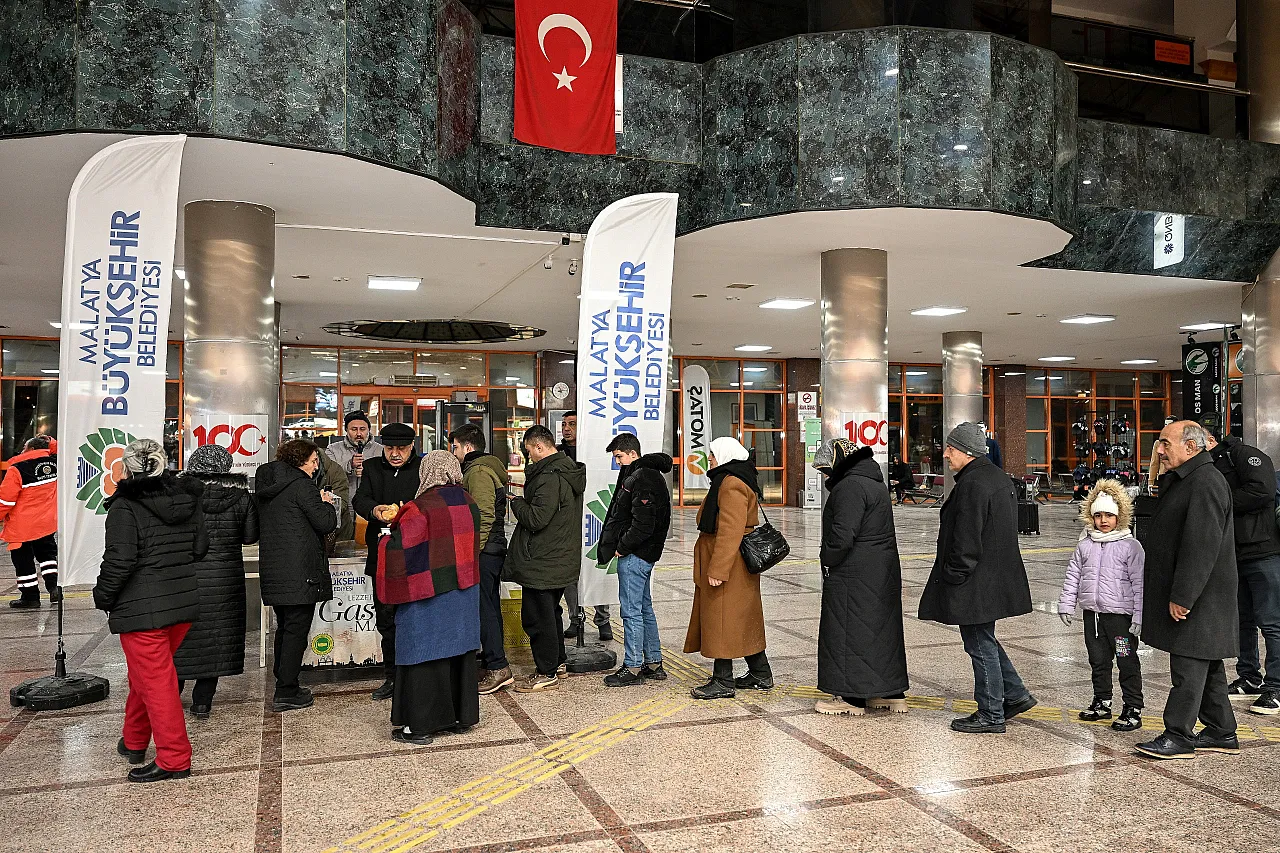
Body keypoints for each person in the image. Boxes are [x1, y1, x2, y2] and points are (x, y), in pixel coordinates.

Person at [93, 439, 207, 783]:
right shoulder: (186, 498)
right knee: (145, 676)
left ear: (125, 469)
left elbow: (120, 560)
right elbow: (200, 548)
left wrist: (103, 596)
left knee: (157, 684)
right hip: (181, 604)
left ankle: (174, 759)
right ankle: (134, 740)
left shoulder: (124, 506)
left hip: (142, 610)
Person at [919, 422, 1036, 734]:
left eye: (951, 449)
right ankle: (1015, 694)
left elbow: (967, 537)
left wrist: (955, 574)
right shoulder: (995, 477)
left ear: (967, 451)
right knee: (983, 638)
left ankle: (991, 713)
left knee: (979, 644)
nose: (946, 455)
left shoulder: (973, 484)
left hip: (975, 579)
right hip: (992, 577)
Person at [1135, 421, 1239, 760]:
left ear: (1191, 447)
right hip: (1200, 594)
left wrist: (1183, 596)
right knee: (1206, 661)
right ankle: (1221, 730)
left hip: (1201, 596)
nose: (1160, 450)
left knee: (1188, 665)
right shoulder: (1189, 479)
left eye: (1166, 443)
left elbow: (1201, 545)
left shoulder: (1205, 482)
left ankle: (1178, 736)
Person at [379, 451, 482, 745]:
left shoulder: (419, 507)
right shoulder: (469, 501)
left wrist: (385, 539)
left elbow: (402, 550)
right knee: (459, 651)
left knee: (422, 652)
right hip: (464, 588)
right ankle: (460, 718)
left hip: (428, 591)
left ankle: (420, 725)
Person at [811, 438, 909, 716]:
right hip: (881, 569)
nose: (825, 476)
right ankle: (889, 692)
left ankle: (851, 698)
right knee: (880, 630)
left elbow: (842, 537)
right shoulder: (874, 482)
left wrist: (827, 559)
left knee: (848, 630)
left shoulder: (849, 487)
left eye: (826, 470)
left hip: (853, 573)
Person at [173, 445, 260, 719]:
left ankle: (169, 698)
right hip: (225, 579)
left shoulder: (177, 495)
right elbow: (250, 537)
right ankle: (202, 702)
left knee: (180, 639)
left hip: (183, 577)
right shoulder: (241, 496)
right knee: (215, 638)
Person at [685, 436, 771, 699]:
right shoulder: (731, 479)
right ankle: (760, 673)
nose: (709, 459)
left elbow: (730, 530)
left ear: (725, 455)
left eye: (712, 454)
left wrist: (718, 569)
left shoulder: (731, 483)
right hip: (735, 563)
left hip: (729, 564)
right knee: (737, 619)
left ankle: (723, 681)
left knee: (721, 619)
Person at [255, 439, 338, 713]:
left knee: (285, 627)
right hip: (301, 572)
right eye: (313, 461)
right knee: (295, 631)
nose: (315, 467)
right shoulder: (303, 486)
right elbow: (325, 523)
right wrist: (326, 503)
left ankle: (283, 680)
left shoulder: (267, 485)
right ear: (301, 461)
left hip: (275, 570)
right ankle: (287, 690)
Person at [1057, 479, 1145, 732]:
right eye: (1098, 515)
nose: (1103, 520)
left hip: (1120, 619)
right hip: (1093, 617)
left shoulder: (1130, 546)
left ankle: (1133, 706)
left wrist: (1138, 617)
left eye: (1109, 515)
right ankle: (1102, 700)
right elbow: (1073, 575)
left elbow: (1139, 584)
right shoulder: (1085, 545)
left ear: (1120, 516)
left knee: (1126, 660)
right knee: (1098, 660)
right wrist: (1066, 604)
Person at [1204, 431, 1280, 716]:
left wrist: (1223, 501)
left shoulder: (1243, 455)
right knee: (1243, 621)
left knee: (1271, 623)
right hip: (1235, 554)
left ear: (1209, 441)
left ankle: (1276, 686)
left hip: (1264, 551)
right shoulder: (1211, 465)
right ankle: (1249, 677)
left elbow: (1263, 490)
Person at [506, 424, 585, 693]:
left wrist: (516, 502)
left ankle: (546, 671)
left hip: (543, 559)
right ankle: (557, 662)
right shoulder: (565, 469)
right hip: (558, 556)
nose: (529, 457)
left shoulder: (550, 476)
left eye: (529, 451)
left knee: (537, 617)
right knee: (550, 613)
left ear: (540, 447)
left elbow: (536, 518)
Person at [595, 432, 672, 687]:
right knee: (644, 608)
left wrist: (622, 546)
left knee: (631, 611)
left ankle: (633, 666)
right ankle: (653, 663)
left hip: (636, 554)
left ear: (632, 453)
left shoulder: (642, 477)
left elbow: (643, 523)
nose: (617, 462)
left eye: (619, 456)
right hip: (645, 553)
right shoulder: (646, 474)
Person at [352, 423, 422, 701]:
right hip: (380, 555)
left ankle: (416, 675)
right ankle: (392, 677)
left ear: (412, 447)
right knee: (386, 618)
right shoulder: (372, 467)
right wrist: (374, 510)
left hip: (414, 556)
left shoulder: (422, 469)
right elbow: (359, 499)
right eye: (390, 448)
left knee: (414, 617)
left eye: (401, 449)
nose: (395, 454)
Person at [449, 423, 513, 695]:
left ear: (467, 447)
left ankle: (498, 667)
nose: (453, 453)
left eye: (455, 447)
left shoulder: (478, 472)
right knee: (489, 606)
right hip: (490, 548)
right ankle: (493, 662)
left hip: (485, 550)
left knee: (484, 607)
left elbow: (484, 515)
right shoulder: (485, 468)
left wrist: (474, 551)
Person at [559, 410, 612, 641]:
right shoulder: (558, 454)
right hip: (568, 521)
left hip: (594, 516)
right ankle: (575, 619)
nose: (566, 428)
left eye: (572, 424)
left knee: (596, 566)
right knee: (570, 574)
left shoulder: (595, 453)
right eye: (564, 424)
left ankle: (603, 620)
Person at [0, 435, 60, 608]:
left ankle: (30, 597)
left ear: (32, 449)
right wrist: (50, 441)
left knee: (23, 561)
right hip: (47, 522)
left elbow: (5, 501)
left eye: (24, 448)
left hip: (22, 527)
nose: (22, 451)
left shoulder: (17, 469)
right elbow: (61, 449)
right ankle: (54, 587)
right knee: (48, 556)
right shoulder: (56, 464)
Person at [325, 411, 381, 497]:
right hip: (343, 500)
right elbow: (327, 475)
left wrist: (368, 473)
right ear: (346, 430)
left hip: (371, 501)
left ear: (369, 430)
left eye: (362, 429)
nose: (358, 433)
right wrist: (350, 465)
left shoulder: (381, 450)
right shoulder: (332, 449)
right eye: (354, 429)